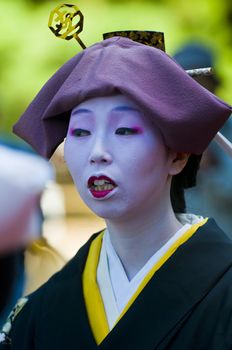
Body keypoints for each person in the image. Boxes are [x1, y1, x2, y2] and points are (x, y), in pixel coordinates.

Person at [0, 33, 232, 349]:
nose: (97, 152)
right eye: (80, 132)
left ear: (177, 155)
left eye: (123, 130)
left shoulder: (225, 289)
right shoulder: (38, 311)